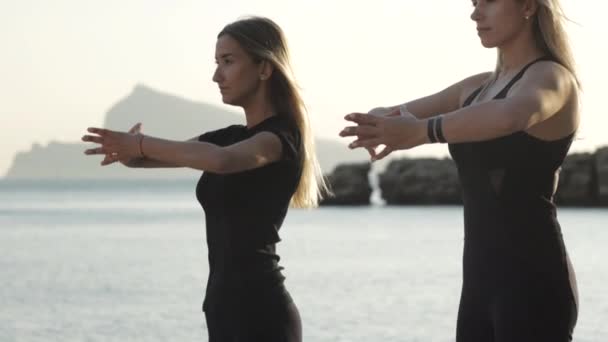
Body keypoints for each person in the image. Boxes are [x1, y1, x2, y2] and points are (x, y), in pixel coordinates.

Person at [339, 0, 579, 340]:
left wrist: (422, 132)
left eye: (489, 2)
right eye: (473, 2)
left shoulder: (552, 77)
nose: (475, 13)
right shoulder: (475, 88)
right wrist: (377, 122)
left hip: (534, 283)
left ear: (527, 6)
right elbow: (400, 112)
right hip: (479, 290)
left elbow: (512, 115)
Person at [82, 16, 327, 342]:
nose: (216, 75)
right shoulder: (228, 136)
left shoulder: (280, 138)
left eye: (228, 61)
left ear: (264, 68)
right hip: (224, 311)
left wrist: (139, 145)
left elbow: (221, 161)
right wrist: (130, 155)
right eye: (216, 63)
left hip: (262, 313)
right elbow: (167, 155)